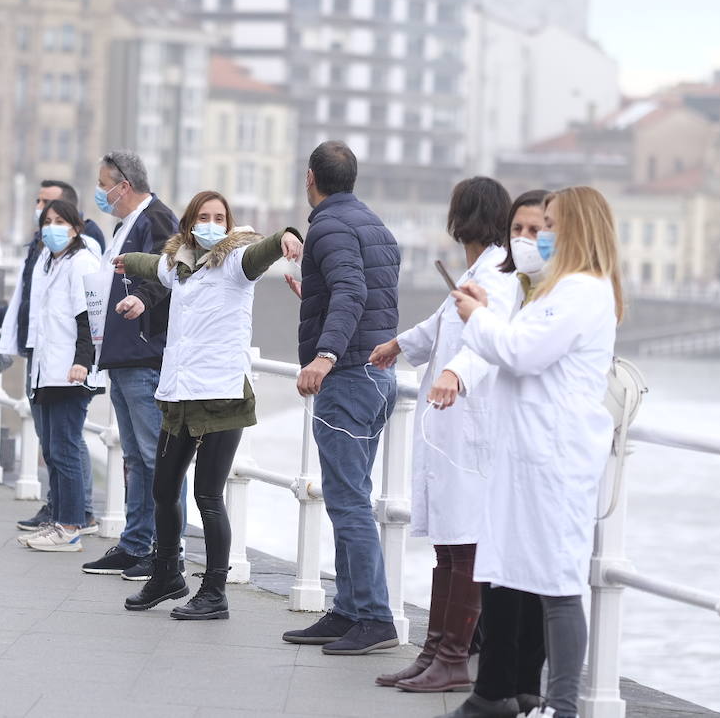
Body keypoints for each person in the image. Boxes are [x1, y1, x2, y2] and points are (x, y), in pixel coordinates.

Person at [443, 185, 622, 718]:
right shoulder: (558, 290)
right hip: (531, 456)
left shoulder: (583, 292)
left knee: (558, 584)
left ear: (575, 229)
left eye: (549, 224)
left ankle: (562, 706)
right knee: (527, 574)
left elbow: (522, 352)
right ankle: (522, 697)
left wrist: (477, 317)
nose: (540, 235)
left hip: (554, 459)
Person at [116, 190, 303, 618]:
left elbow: (262, 251)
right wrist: (127, 264)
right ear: (189, 223)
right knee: (163, 489)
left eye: (220, 217)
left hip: (222, 398)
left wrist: (287, 236)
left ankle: (215, 592)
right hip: (179, 396)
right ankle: (167, 575)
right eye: (204, 216)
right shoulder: (180, 265)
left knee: (208, 496)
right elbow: (154, 266)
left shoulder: (235, 263)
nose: (212, 223)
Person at [368, 177, 517, 692]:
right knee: (449, 546)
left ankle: (453, 657)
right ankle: (435, 650)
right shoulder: (480, 270)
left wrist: (455, 373)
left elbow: (484, 339)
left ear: (463, 218)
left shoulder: (498, 276)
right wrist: (397, 344)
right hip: (449, 423)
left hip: (469, 423)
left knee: (465, 541)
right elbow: (440, 323)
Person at [281, 141, 402, 656]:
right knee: (351, 495)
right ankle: (350, 609)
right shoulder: (375, 225)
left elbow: (352, 292)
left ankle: (374, 616)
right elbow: (365, 293)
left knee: (348, 500)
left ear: (311, 177)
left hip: (349, 377)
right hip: (376, 377)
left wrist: (324, 355)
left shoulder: (327, 226)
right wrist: (318, 300)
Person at [450, 189, 551, 717]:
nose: (525, 240)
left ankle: (530, 689)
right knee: (501, 569)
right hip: (509, 444)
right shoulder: (521, 286)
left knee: (535, 576)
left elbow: (511, 351)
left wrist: (480, 319)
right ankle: (500, 687)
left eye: (537, 230)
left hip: (541, 451)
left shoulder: (557, 293)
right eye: (518, 229)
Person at [81, 151, 181, 581]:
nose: (101, 192)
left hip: (143, 353)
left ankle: (162, 550)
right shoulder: (125, 225)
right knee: (136, 458)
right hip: (121, 355)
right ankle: (136, 543)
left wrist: (141, 300)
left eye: (105, 183)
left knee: (153, 457)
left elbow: (164, 270)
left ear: (124, 184)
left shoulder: (156, 218)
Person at [0, 178, 106, 534]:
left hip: (70, 371)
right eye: (47, 222)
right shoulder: (46, 262)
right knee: (53, 449)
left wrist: (82, 362)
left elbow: (88, 317)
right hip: (45, 369)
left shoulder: (82, 261)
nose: (52, 228)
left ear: (76, 227)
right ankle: (59, 518)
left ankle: (71, 524)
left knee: (66, 447)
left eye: (60, 222)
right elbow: (37, 315)